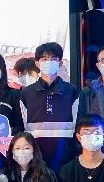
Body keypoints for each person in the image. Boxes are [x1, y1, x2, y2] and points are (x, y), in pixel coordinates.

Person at [21, 42, 79, 173]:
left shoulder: (71, 91)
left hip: (65, 156)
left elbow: (78, 124)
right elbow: (22, 126)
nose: (49, 62)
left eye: (53, 59)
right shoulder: (27, 93)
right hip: (35, 158)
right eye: (44, 59)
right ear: (37, 63)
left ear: (60, 63)